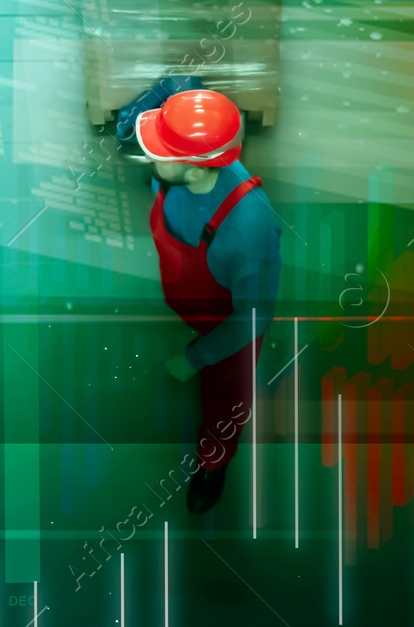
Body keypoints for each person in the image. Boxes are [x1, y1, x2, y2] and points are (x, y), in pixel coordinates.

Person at [135, 89, 282, 514]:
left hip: (227, 328)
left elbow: (254, 316)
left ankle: (213, 463)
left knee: (226, 399)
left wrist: (196, 357)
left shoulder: (249, 228)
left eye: (161, 150)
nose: (151, 158)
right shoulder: (174, 175)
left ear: (198, 168)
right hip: (190, 300)